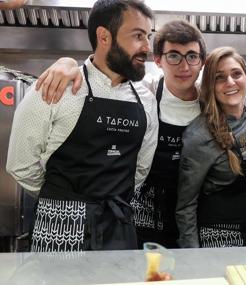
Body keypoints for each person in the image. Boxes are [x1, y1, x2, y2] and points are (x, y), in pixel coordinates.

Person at [33, 20, 206, 248]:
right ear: (158, 60)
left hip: (193, 215)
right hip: (143, 215)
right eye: (173, 56)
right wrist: (68, 64)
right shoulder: (143, 93)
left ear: (202, 62)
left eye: (192, 56)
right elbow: (103, 72)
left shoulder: (210, 102)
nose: (184, 66)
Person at [6, 0, 158, 251]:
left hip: (117, 227)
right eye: (138, 35)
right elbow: (20, 165)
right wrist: (61, 202)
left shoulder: (146, 99)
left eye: (148, 36)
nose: (147, 47)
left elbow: (140, 171)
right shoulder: (56, 86)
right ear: (104, 36)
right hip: (59, 225)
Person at [176, 47, 246, 248]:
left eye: (236, 74)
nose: (230, 82)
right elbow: (185, 205)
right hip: (218, 236)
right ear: (211, 85)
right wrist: (193, 257)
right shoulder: (199, 136)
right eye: (220, 78)